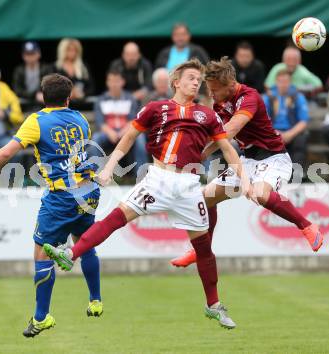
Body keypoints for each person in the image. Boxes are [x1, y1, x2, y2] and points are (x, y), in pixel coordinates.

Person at [44, 59, 250, 330]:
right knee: (117, 217)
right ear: (176, 82)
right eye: (190, 77)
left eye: (198, 79)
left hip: (189, 185)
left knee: (204, 249)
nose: (196, 81)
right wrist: (108, 168)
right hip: (159, 179)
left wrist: (244, 181)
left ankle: (213, 306)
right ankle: (71, 255)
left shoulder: (207, 115)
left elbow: (228, 149)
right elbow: (128, 137)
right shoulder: (156, 108)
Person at [0, 74, 103, 337]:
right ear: (69, 97)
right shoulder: (82, 120)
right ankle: (95, 299)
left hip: (61, 196)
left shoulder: (37, 121)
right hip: (88, 191)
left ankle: (41, 317)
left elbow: (6, 153)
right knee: (85, 243)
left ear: (42, 96)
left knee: (41, 253)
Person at [171, 57, 324, 269]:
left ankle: (307, 226)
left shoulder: (249, 96)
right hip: (247, 160)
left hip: (273, 157)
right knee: (204, 199)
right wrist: (202, 154)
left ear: (229, 85)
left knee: (260, 194)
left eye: (214, 89)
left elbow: (231, 130)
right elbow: (219, 137)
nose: (211, 94)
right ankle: (201, 250)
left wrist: (198, 145)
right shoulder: (220, 101)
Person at [90, 68, 146, 176]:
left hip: (126, 132)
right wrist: (110, 132)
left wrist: (124, 132)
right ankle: (99, 175)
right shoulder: (101, 99)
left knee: (140, 138)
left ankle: (141, 176)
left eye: (117, 81)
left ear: (122, 82)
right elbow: (100, 122)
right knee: (95, 139)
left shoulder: (131, 99)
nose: (114, 84)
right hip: (107, 134)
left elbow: (134, 119)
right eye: (111, 81)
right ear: (107, 82)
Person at [263, 70, 309, 170]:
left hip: (292, 132)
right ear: (276, 82)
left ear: (290, 82)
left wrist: (290, 134)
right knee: (263, 139)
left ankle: (296, 174)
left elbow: (304, 121)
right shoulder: (268, 97)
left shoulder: (297, 97)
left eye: (286, 81)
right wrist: (276, 133)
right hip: (273, 132)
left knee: (301, 139)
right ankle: (270, 173)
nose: (283, 84)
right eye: (281, 81)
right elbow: (263, 121)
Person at [12, 41, 52, 109]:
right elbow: (17, 90)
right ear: (23, 56)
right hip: (24, 104)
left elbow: (50, 86)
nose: (30, 57)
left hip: (43, 103)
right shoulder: (19, 70)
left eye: (33, 53)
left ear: (39, 54)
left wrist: (43, 95)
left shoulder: (46, 68)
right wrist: (34, 95)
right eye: (27, 54)